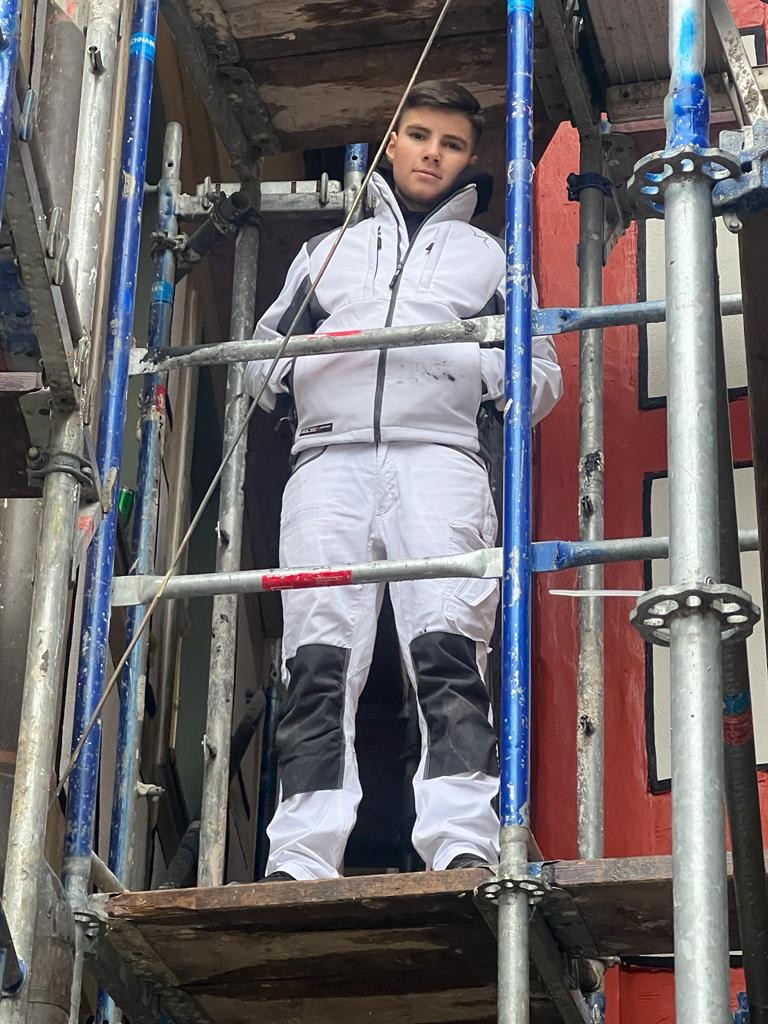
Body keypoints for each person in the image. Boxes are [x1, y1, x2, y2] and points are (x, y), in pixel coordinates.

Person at [245, 80, 562, 882]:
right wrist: (309, 369)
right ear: (392, 143)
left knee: (448, 652)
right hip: (329, 463)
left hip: (441, 460)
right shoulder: (328, 250)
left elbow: (539, 372)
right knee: (317, 660)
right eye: (419, 136)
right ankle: (301, 856)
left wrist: (476, 370)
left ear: (470, 158)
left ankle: (462, 842)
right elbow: (261, 360)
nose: (432, 154)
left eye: (451, 144)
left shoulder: (493, 257)